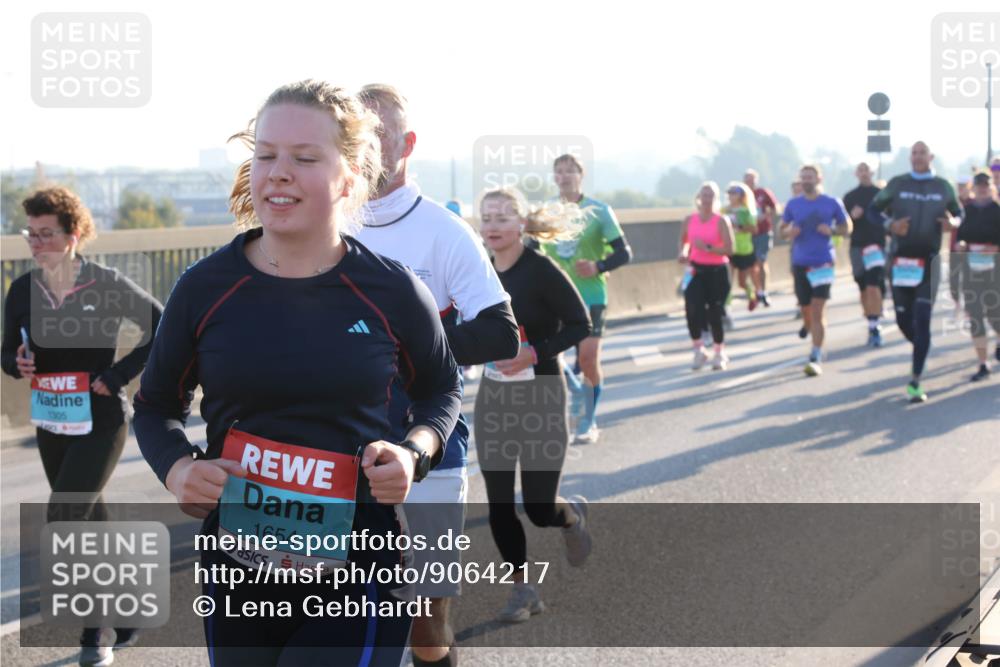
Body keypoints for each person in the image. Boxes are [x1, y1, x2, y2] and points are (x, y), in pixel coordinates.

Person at [133, 80, 463, 666]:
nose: (278, 172)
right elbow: (156, 405)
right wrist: (178, 468)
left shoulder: (392, 290)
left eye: (304, 158)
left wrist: (414, 452)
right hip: (238, 573)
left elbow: (440, 390)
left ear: (350, 174)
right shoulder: (204, 289)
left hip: (358, 571)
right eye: (265, 155)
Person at [355, 83, 518, 667]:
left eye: (381, 136)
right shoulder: (323, 226)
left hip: (429, 451)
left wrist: (405, 348)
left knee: (426, 620)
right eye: (359, 136)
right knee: (344, 614)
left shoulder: (444, 232)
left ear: (408, 145)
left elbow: (503, 332)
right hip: (336, 454)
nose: (369, 149)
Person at [1, 186, 163, 666]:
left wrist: (115, 376)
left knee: (65, 517)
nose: (36, 243)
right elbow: (7, 351)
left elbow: (161, 325)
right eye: (30, 234)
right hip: (52, 420)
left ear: (73, 236)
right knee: (89, 516)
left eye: (46, 234)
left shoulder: (106, 284)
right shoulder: (22, 289)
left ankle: (97, 633)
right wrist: (18, 362)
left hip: (102, 420)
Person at [474, 187, 593, 622]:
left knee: (539, 508)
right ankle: (523, 591)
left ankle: (570, 517)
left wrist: (534, 353)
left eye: (503, 217)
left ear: (522, 223)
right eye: (487, 217)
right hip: (494, 398)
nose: (493, 225)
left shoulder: (541, 271)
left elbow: (582, 324)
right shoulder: (478, 273)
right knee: (500, 505)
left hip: (542, 395)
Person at [542, 154, 632, 444]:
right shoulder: (546, 213)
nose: (565, 176)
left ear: (580, 175)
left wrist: (599, 266)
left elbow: (624, 252)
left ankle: (588, 421)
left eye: (570, 171)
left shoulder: (599, 210)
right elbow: (527, 250)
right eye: (559, 171)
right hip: (555, 300)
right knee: (549, 358)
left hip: (592, 295)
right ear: (554, 177)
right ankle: (573, 398)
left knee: (588, 358)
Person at [868, 141, 962, 402]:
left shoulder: (942, 186)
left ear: (931, 157)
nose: (918, 157)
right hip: (900, 261)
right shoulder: (898, 184)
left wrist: (952, 222)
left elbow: (959, 212)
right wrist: (890, 224)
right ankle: (922, 347)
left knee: (922, 317)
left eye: (922, 153)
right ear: (910, 157)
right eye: (914, 153)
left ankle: (915, 380)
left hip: (929, 261)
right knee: (903, 321)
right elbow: (872, 211)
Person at [780, 165, 852, 376]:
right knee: (806, 309)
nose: (806, 181)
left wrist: (831, 230)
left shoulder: (831, 202)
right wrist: (788, 232)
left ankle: (816, 353)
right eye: (803, 178)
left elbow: (847, 227)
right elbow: (780, 230)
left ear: (818, 178)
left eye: (809, 177)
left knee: (818, 309)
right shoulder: (794, 204)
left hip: (822, 262)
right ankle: (808, 326)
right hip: (800, 262)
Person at [680, 182, 736, 370]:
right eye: (704, 195)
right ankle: (699, 349)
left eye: (710, 195)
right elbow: (685, 241)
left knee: (714, 312)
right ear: (698, 198)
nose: (706, 199)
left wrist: (709, 248)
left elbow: (730, 249)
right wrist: (684, 252)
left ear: (716, 198)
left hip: (717, 271)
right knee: (691, 308)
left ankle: (719, 351)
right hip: (696, 270)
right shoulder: (690, 220)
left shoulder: (721, 221)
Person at [957, 171, 1000, 381]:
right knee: (975, 317)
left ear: (991, 187)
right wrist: (962, 245)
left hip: (995, 271)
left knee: (995, 315)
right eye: (979, 185)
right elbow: (960, 237)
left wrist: (994, 249)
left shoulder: (997, 210)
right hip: (972, 270)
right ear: (974, 188)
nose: (982, 188)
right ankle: (983, 364)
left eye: (986, 184)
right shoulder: (968, 210)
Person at [843, 162, 886, 347]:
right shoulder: (850, 196)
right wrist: (852, 216)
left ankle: (874, 326)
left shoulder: (881, 195)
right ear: (856, 173)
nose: (863, 173)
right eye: (860, 170)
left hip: (875, 245)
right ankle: (871, 317)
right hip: (857, 246)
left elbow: (891, 216)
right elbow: (842, 224)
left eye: (866, 169)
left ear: (872, 172)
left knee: (872, 286)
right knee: (862, 288)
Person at [744, 169, 779, 306]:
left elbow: (775, 208)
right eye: (747, 179)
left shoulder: (763, 193)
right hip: (747, 234)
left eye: (752, 179)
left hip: (763, 232)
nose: (750, 182)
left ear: (756, 180)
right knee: (752, 265)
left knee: (761, 260)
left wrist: (767, 216)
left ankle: (764, 290)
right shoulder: (742, 195)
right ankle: (758, 291)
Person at [724, 182, 760, 312]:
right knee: (727, 280)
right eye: (729, 193)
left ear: (741, 195)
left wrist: (738, 227)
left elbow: (754, 229)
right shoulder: (724, 210)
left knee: (742, 282)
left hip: (744, 249)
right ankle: (726, 305)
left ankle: (752, 296)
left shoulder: (746, 211)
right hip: (728, 248)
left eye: (734, 193)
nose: (731, 196)